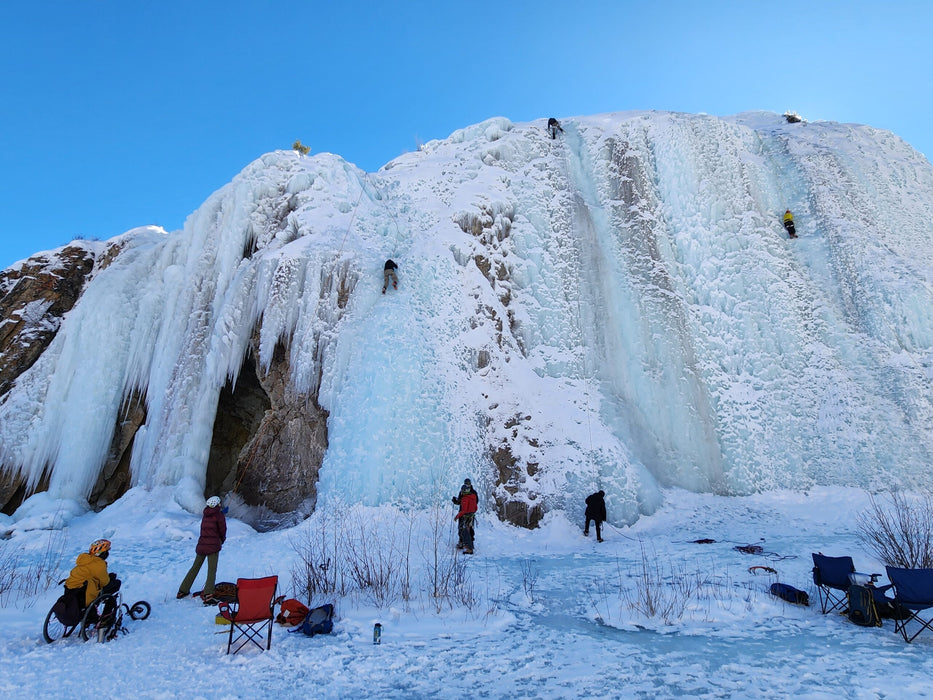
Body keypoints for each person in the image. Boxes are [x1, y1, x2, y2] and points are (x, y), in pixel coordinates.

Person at [177, 496, 227, 604]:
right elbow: (222, 530)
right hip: (213, 546)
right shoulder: (219, 515)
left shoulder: (206, 514)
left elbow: (213, 520)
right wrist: (221, 540)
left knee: (195, 567)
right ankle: (208, 594)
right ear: (217, 504)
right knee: (211, 570)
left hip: (202, 545)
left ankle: (183, 590)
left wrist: (221, 513)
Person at [64, 538, 121, 619]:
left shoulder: (84, 560)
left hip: (72, 592)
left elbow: (91, 574)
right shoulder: (99, 564)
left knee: (110, 577)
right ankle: (106, 616)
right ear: (103, 553)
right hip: (86, 595)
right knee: (116, 583)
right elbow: (104, 583)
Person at [451, 478, 478, 554]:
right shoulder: (471, 494)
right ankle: (463, 543)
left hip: (465, 514)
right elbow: (461, 501)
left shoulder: (471, 493)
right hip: (468, 514)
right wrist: (456, 501)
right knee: (464, 529)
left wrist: (457, 516)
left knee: (466, 530)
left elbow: (464, 505)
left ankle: (469, 547)